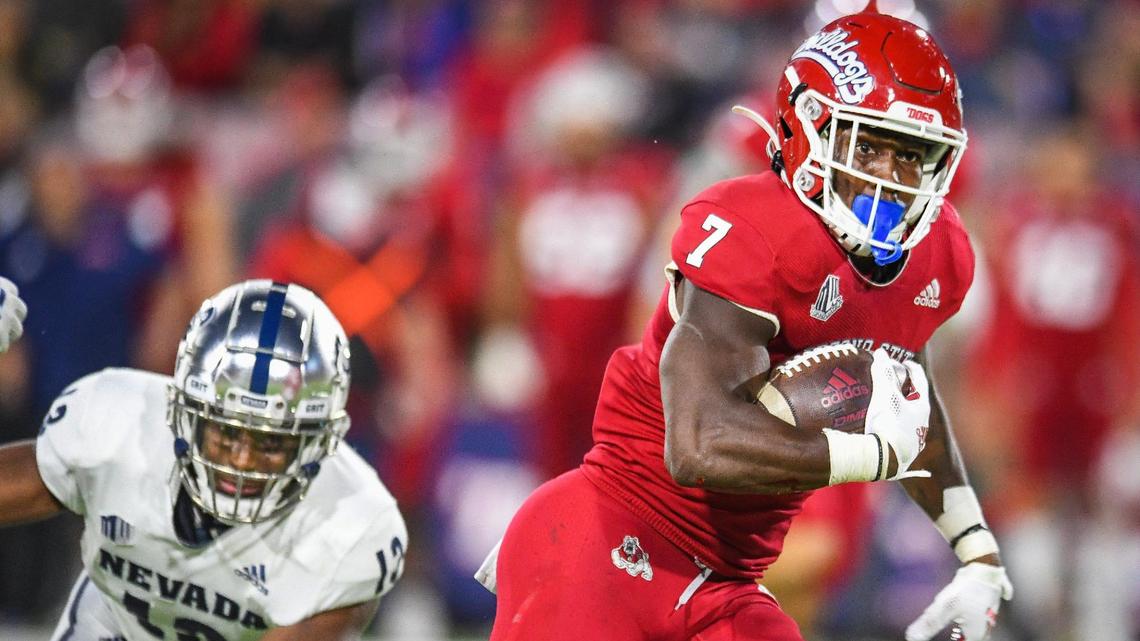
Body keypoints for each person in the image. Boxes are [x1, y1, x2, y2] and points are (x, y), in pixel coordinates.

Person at [481, 4, 1013, 641]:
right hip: (607, 545)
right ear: (810, 128)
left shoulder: (934, 258)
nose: (891, 180)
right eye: (869, 147)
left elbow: (908, 409)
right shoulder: (757, 233)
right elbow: (699, 444)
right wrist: (865, 454)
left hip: (725, 581)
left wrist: (976, 553)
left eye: (913, 157)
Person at [0, 279, 407, 640]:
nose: (242, 460)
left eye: (268, 443)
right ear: (184, 412)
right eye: (226, 431)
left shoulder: (350, 528)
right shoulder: (115, 426)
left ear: (316, 443)